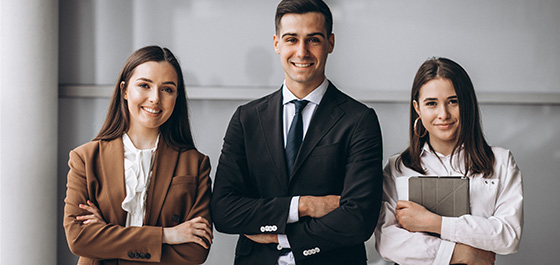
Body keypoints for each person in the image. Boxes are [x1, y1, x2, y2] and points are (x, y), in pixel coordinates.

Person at [211, 0, 384, 264]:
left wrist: (281, 235)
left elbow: (359, 218)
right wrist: (304, 205)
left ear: (331, 43)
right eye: (292, 39)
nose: (302, 52)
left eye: (313, 39)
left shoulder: (359, 120)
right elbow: (224, 210)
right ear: (276, 43)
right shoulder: (246, 119)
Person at [63, 46, 213, 265]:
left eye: (167, 89)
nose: (155, 98)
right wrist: (167, 235)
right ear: (124, 90)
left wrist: (105, 235)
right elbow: (78, 239)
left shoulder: (195, 164)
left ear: (176, 97)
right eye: (144, 85)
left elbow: (195, 252)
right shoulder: (85, 158)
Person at [374, 57, 523, 265]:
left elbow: (508, 236)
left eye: (453, 101)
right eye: (431, 103)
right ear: (417, 108)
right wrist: (460, 254)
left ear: (467, 103)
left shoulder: (501, 162)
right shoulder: (398, 168)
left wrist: (436, 223)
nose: (443, 114)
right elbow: (388, 241)